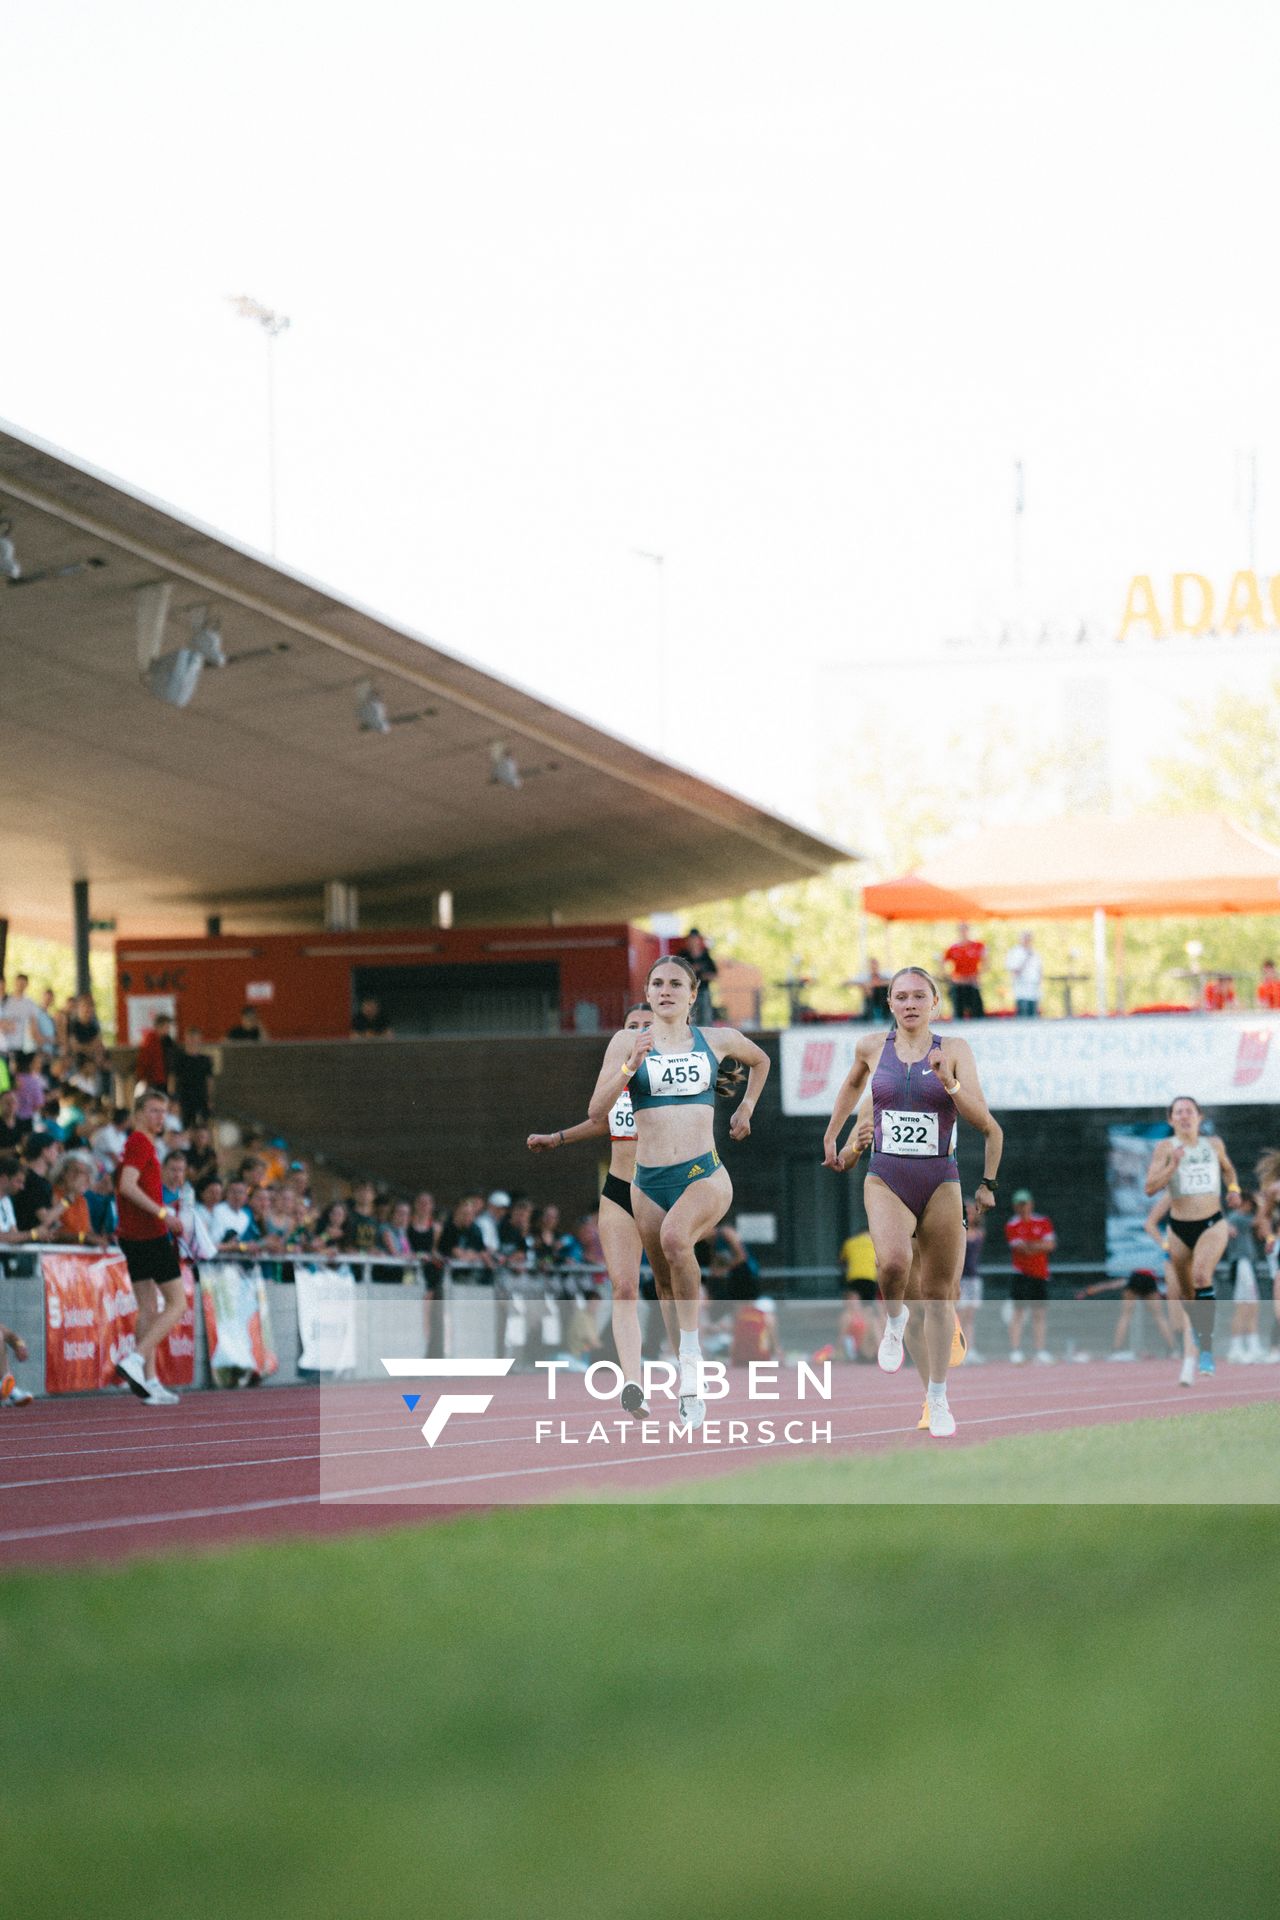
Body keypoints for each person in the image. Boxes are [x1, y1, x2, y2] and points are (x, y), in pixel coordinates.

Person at [821, 965, 1003, 1438]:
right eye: (900, 996)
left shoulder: (955, 1050)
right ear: (889, 1004)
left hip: (940, 1178)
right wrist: (839, 1141)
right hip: (887, 1178)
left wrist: (950, 1083)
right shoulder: (872, 1050)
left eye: (919, 996)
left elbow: (981, 1117)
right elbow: (859, 1099)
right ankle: (900, 1331)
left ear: (935, 1002)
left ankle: (936, 1398)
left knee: (939, 1296)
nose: (909, 1004)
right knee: (896, 1267)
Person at [588, 956, 769, 1428]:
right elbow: (596, 1109)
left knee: (674, 1240)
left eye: (675, 984)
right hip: (647, 1181)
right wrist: (630, 1065)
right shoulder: (627, 1041)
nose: (665, 990)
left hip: (704, 1174)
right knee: (664, 1286)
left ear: (693, 995)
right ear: (647, 993)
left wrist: (746, 1109)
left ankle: (691, 1355)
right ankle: (687, 1388)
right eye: (656, 984)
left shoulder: (717, 1039)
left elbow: (761, 1059)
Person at [1144, 1096, 1241, 1381]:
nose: (1184, 1116)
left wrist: (1233, 1188)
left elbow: (1227, 1169)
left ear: (1199, 1117)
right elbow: (1150, 1187)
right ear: (1170, 1120)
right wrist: (1173, 1166)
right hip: (1179, 1228)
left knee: (1201, 1277)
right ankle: (1199, 1335)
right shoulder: (1164, 1148)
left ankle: (1207, 1349)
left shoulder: (1214, 1144)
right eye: (1178, 1112)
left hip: (1212, 1223)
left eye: (1189, 1111)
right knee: (1187, 1296)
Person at [113, 1089, 185, 1406]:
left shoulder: (141, 1143)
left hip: (135, 1235)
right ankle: (136, 1359)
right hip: (149, 1234)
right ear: (139, 1112)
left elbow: (135, 1187)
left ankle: (150, 1380)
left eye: (163, 1112)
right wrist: (162, 1213)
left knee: (149, 1309)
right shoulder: (140, 1142)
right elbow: (126, 1186)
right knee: (177, 1303)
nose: (160, 1117)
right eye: (154, 1111)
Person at [1004, 1189, 1057, 1363]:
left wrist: (1032, 1245)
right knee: (1018, 1313)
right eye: (1019, 1204)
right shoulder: (1012, 1225)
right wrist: (1038, 1245)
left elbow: (1050, 1245)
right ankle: (1015, 1350)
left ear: (1031, 1204)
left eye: (1025, 1204)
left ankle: (1040, 1350)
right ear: (1015, 1206)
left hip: (1040, 1274)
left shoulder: (1043, 1221)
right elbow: (1021, 1249)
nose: (1023, 1208)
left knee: (1039, 1314)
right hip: (1021, 1275)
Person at [838, 1219, 882, 1357]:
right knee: (869, 1311)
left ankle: (847, 1348)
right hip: (870, 1279)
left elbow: (841, 1262)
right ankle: (873, 1348)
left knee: (853, 1312)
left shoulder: (850, 1242)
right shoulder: (877, 1242)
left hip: (854, 1279)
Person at [958, 1197, 987, 1362]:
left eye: (971, 1211)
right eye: (965, 1211)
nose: (968, 1214)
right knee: (959, 1316)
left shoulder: (979, 1233)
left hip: (973, 1279)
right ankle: (959, 1351)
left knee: (970, 1317)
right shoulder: (957, 1231)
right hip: (960, 1279)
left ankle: (970, 1350)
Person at [172, 1028, 216, 1125]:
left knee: (204, 1125)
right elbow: (173, 1079)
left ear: (200, 1040)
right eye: (190, 1039)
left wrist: (210, 1098)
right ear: (186, 1040)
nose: (193, 1042)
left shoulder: (205, 1060)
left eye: (195, 1039)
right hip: (184, 1098)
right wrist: (174, 1099)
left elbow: (209, 1080)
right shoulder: (179, 1059)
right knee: (185, 1125)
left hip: (201, 1097)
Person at [943, 923, 986, 1020]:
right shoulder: (952, 948)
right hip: (959, 984)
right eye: (961, 930)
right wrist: (950, 977)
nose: (963, 932)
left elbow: (986, 961)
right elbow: (943, 963)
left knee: (977, 1012)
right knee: (959, 1012)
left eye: (965, 929)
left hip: (972, 983)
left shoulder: (978, 946)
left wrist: (978, 975)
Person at [677, 928, 719, 1025]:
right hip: (688, 991)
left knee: (705, 1017)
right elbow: (676, 972)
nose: (693, 942)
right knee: (690, 1018)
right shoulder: (683, 955)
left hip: (703, 991)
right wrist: (691, 970)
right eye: (691, 939)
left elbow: (715, 974)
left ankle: (705, 1037)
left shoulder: (705, 956)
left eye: (695, 939)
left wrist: (705, 976)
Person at [135, 1013, 176, 1092]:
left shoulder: (167, 1041)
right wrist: (143, 1078)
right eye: (166, 1027)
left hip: (164, 1078)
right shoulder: (150, 1040)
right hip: (154, 1080)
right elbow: (144, 1061)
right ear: (159, 1026)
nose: (168, 1030)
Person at [1006, 931, 1043, 1018]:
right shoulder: (1014, 952)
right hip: (1021, 985)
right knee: (1023, 1011)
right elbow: (1014, 970)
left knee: (1033, 1011)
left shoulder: (1035, 953)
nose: (1027, 941)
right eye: (1025, 938)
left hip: (1033, 985)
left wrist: (1040, 980)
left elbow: (1039, 968)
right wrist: (1026, 959)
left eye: (1029, 939)